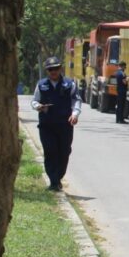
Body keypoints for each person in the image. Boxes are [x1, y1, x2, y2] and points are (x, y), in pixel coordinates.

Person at [31, 56, 81, 191]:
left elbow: (76, 100)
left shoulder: (69, 84)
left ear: (60, 69)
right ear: (47, 71)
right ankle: (54, 182)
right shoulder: (41, 84)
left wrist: (75, 114)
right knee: (50, 151)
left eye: (56, 69)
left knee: (64, 152)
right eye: (50, 69)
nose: (53, 72)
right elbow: (34, 101)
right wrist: (38, 106)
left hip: (65, 124)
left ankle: (57, 177)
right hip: (47, 125)